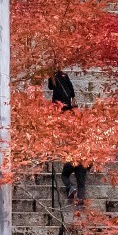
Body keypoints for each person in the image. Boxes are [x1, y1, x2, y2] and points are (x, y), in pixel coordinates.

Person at [46, 69, 89, 203]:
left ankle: (70, 187)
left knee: (65, 175)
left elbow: (50, 87)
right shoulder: (66, 76)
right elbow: (71, 89)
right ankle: (81, 200)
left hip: (58, 102)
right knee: (81, 179)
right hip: (85, 158)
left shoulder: (53, 76)